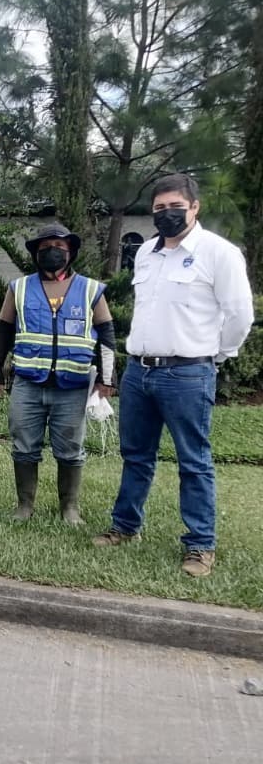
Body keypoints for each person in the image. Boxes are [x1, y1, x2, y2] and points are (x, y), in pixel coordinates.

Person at [97, 174, 255, 577]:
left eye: (175, 206)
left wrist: (215, 355)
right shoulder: (147, 252)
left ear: (194, 206)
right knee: (135, 456)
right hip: (139, 372)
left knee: (194, 461)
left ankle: (200, 546)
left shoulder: (218, 253)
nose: (167, 214)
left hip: (187, 374)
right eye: (160, 208)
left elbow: (239, 314)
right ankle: (125, 527)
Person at [0, 224, 116, 524]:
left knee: (71, 449)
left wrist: (106, 379)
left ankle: (69, 508)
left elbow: (107, 335)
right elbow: (2, 332)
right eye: (44, 247)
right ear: (35, 253)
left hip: (73, 385)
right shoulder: (18, 289)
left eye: (59, 245)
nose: (52, 251)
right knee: (23, 445)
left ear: (70, 252)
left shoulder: (90, 290)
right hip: (28, 383)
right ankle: (24, 506)